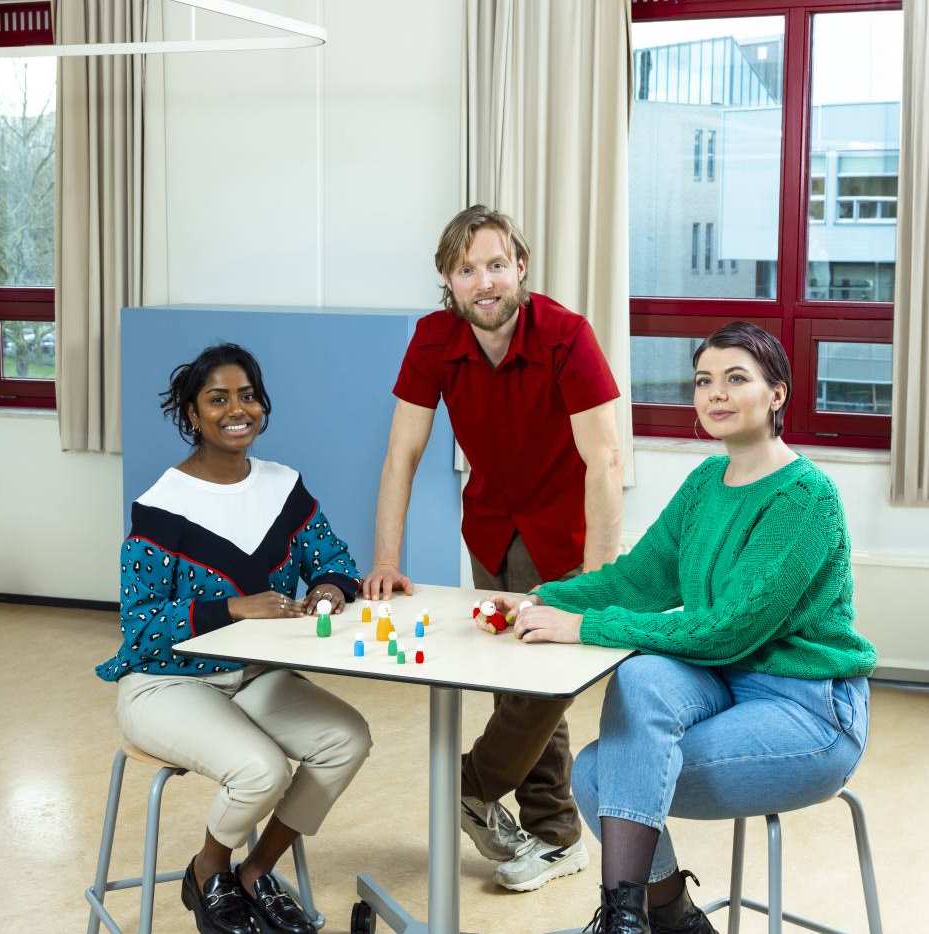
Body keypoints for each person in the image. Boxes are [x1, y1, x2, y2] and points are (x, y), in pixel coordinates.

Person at [501, 322, 876, 933]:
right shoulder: (706, 482)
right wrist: (539, 596)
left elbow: (725, 631)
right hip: (724, 685)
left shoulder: (807, 498)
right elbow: (641, 579)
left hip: (809, 712)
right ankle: (649, 917)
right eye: (705, 381)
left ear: (777, 394)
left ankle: (650, 917)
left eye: (736, 379)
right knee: (639, 684)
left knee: (603, 774)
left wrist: (586, 626)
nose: (716, 395)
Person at [363, 204, 624, 891]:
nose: (484, 282)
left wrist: (597, 578)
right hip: (489, 526)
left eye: (496, 264)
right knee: (520, 682)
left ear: (521, 267)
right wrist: (387, 560)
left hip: (564, 529)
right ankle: (556, 835)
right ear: (447, 280)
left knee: (545, 680)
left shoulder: (566, 335)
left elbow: (605, 462)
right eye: (466, 268)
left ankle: (467, 785)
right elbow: (401, 453)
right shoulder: (432, 338)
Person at [96, 343, 372, 934]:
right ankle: (206, 871)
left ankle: (253, 873)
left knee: (346, 738)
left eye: (247, 395)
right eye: (217, 399)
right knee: (262, 770)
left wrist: (327, 590)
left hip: (252, 677)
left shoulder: (283, 487)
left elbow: (334, 558)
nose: (236, 409)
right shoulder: (162, 505)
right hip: (164, 684)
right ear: (192, 415)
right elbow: (140, 627)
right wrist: (232, 608)